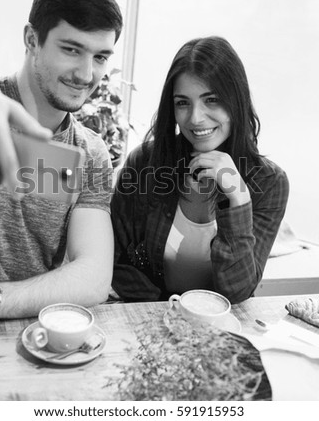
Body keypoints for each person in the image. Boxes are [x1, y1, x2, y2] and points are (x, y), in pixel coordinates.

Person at [0, 0, 123, 319]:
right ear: (32, 40)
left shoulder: (90, 154)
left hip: (27, 336)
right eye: (71, 49)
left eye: (100, 57)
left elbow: (92, 277)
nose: (86, 74)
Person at [111, 36, 289, 304]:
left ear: (236, 101)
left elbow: (237, 291)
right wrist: (164, 307)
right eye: (183, 103)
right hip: (149, 314)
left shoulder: (270, 182)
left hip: (220, 325)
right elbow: (112, 258)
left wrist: (238, 197)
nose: (195, 118)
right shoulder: (145, 163)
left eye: (212, 100)